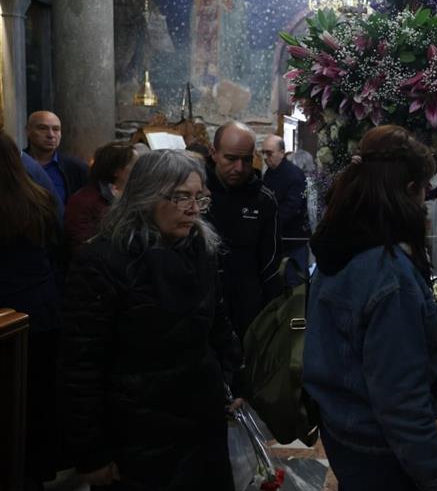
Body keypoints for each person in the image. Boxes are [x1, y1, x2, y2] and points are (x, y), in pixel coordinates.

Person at [62, 150, 243, 490]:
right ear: (145, 196)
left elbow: (218, 323)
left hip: (202, 424)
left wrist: (231, 377)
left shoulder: (201, 249)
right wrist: (92, 454)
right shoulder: (101, 262)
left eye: (199, 198)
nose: (193, 209)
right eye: (181, 197)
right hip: (138, 433)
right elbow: (81, 366)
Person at [303, 125, 437, 491]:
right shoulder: (389, 274)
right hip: (379, 448)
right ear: (409, 190)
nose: (424, 202)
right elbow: (401, 402)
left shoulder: (341, 244)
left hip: (343, 431)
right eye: (424, 190)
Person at [0, 131, 63, 490]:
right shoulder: (38, 195)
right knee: (37, 398)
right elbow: (57, 242)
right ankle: (36, 471)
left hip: (8, 314)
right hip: (41, 308)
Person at [206, 121, 281, 338]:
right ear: (214, 153)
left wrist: (271, 317)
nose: (239, 168)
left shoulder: (264, 199)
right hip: (201, 304)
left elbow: (271, 262)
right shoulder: (196, 193)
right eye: (230, 159)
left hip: (247, 308)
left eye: (246, 160)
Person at [65, 141, 138, 253]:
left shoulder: (135, 195)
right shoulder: (83, 201)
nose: (139, 169)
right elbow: (81, 245)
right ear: (116, 170)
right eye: (134, 165)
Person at [261, 135, 310, 285]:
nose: (265, 157)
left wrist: (267, 224)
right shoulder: (270, 173)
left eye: (269, 153)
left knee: (295, 286)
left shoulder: (294, 175)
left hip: (292, 241)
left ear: (282, 152)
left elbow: (290, 208)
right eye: (263, 153)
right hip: (276, 241)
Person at [24, 110, 88, 206]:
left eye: (56, 129)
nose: (51, 135)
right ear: (28, 131)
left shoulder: (77, 169)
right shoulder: (15, 163)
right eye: (43, 128)